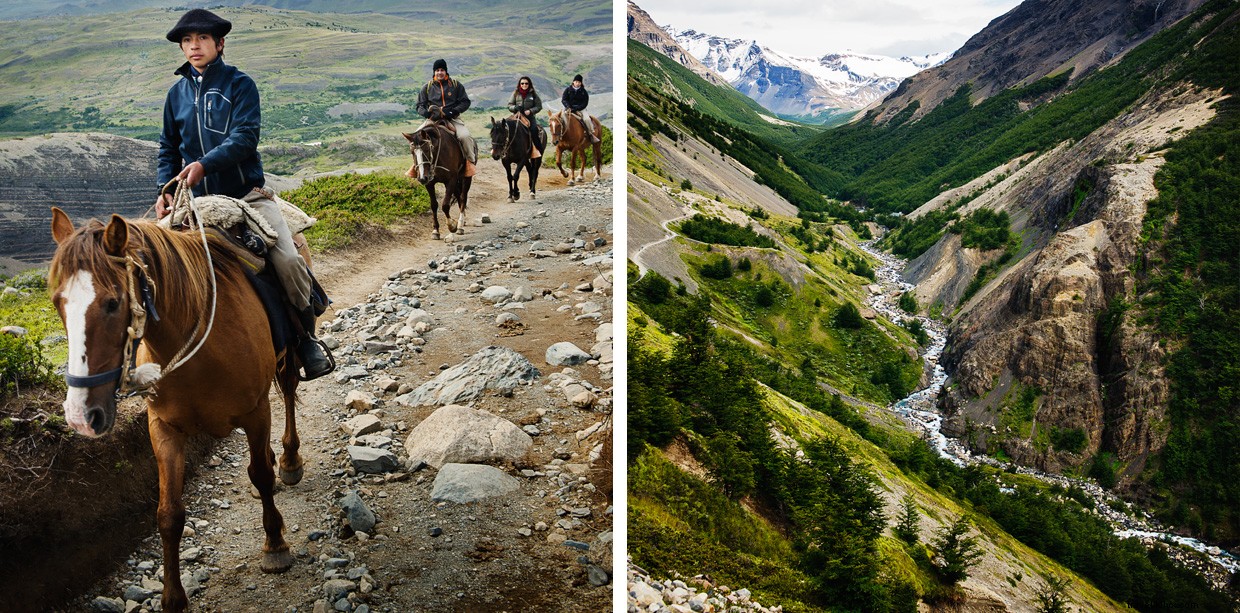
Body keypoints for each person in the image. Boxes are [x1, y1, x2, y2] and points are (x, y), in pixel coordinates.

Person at [155, 8, 334, 380]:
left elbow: (244, 138)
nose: (193, 46)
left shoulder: (240, 85)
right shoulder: (176, 95)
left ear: (219, 44)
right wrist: (164, 189)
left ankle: (305, 340)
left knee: (287, 260)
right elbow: (168, 147)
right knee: (150, 265)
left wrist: (204, 164)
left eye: (201, 39)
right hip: (195, 202)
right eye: (187, 40)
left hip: (246, 196)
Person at [415, 58, 476, 176]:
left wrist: (453, 112)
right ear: (434, 72)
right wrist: (426, 114)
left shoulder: (455, 85)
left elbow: (465, 102)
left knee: (465, 136)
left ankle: (470, 162)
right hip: (433, 119)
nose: (439, 72)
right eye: (437, 70)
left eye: (442, 70)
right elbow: (419, 105)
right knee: (416, 137)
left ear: (446, 71)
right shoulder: (427, 87)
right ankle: (416, 166)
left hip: (452, 118)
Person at [507, 76, 543, 158]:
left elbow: (539, 106)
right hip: (517, 116)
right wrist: (515, 108)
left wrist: (530, 111)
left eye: (526, 83)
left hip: (529, 117)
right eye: (522, 83)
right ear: (520, 84)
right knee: (506, 128)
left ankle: (538, 150)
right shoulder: (515, 93)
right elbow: (509, 105)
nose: (524, 85)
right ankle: (501, 149)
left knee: (534, 130)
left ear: (529, 84)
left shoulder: (533, 94)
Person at [560, 74, 600, 144]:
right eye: (576, 82)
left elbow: (585, 102)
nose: (577, 83)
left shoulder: (583, 91)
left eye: (579, 82)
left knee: (587, 119)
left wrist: (576, 108)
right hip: (569, 108)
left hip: (581, 109)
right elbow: (564, 99)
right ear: (573, 82)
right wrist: (568, 106)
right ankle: (560, 134)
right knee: (560, 117)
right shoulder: (568, 90)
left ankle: (591, 134)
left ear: (581, 83)